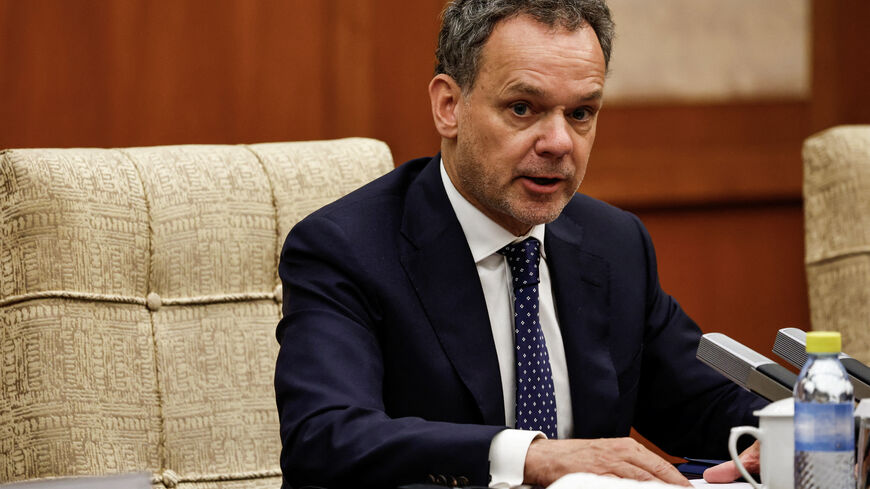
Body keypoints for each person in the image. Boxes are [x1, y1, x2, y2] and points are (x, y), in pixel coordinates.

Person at [274, 1, 766, 487]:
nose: (559, 142)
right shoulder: (347, 249)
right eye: (522, 108)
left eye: (580, 113)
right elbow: (326, 437)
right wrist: (528, 457)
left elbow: (706, 404)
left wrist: (791, 431)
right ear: (449, 107)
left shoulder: (615, 244)